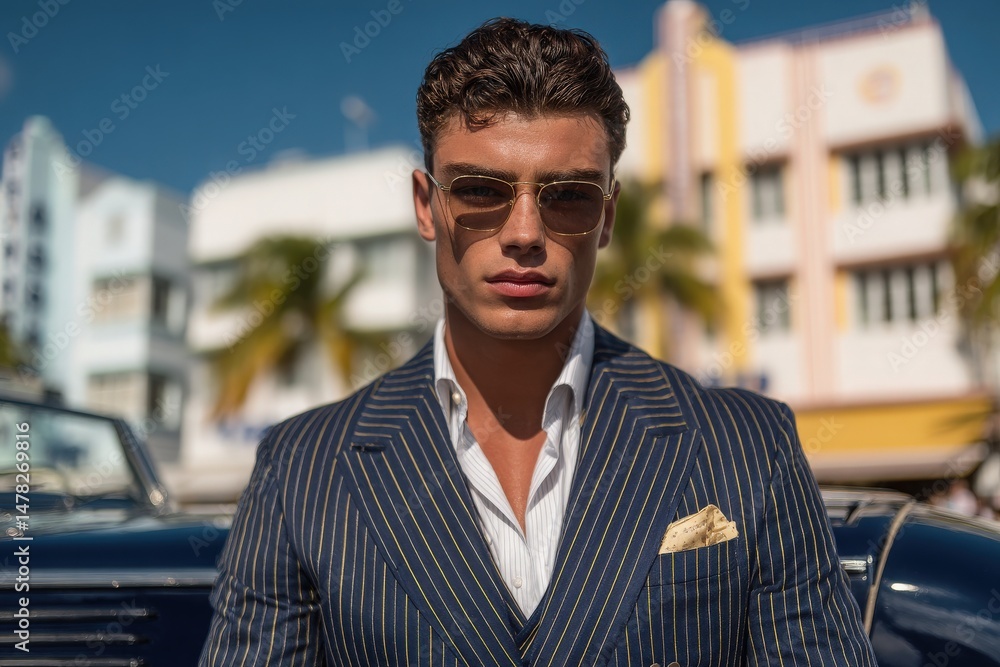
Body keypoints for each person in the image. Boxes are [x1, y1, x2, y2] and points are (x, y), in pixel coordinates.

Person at [200, 18, 878, 666]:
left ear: (607, 216)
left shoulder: (748, 446)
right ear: (425, 205)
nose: (524, 230)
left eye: (568, 197)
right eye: (480, 190)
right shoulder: (303, 472)